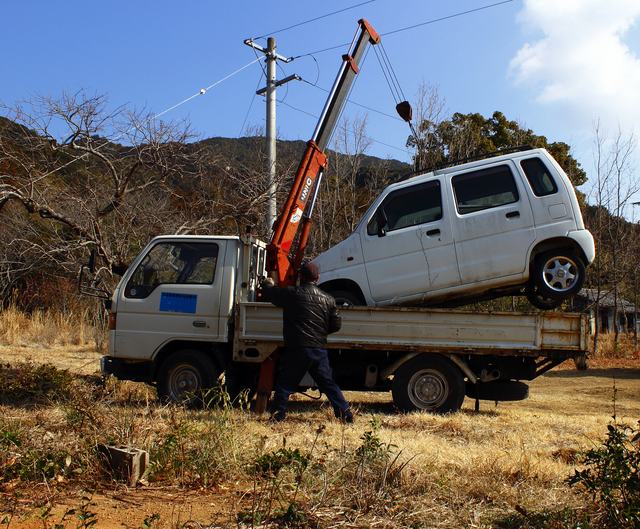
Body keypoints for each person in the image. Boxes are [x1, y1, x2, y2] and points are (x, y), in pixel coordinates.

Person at [261, 261, 354, 423]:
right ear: (317, 278)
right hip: (318, 349)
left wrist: (266, 283)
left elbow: (272, 293)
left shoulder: (291, 294)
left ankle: (277, 418)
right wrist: (319, 333)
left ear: (301, 276)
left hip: (296, 348)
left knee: (284, 385)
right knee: (329, 385)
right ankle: (346, 417)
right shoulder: (328, 299)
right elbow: (336, 325)